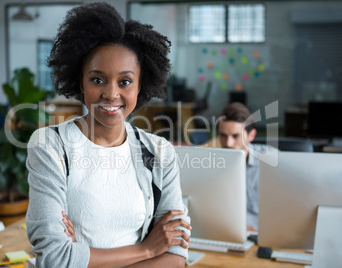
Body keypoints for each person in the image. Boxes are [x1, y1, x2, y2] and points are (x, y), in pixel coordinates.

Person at [25, 2, 191, 267]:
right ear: (81, 82)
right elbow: (55, 258)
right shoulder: (51, 146)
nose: (111, 94)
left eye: (125, 82)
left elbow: (176, 254)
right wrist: (147, 249)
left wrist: (82, 255)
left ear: (140, 86)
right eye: (97, 79)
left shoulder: (159, 152)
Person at [201, 102, 277, 231]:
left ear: (251, 135)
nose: (228, 143)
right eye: (223, 136)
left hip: (262, 234)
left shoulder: (272, 161)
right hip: (223, 232)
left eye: (235, 136)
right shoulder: (210, 164)